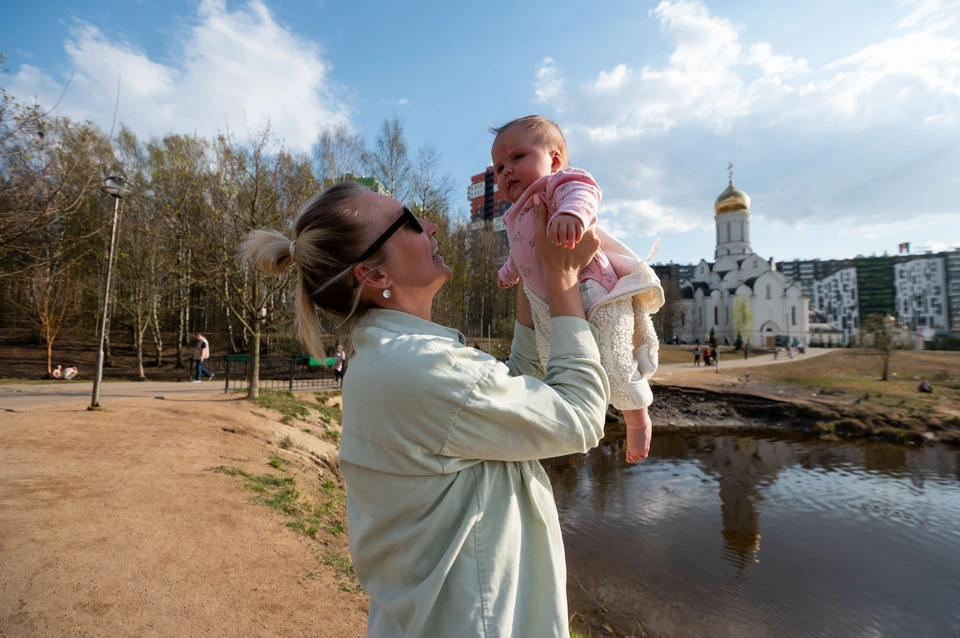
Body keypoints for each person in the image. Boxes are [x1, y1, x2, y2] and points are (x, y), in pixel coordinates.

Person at [241, 181, 609, 637]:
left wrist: (531, 275)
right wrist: (562, 280)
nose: (432, 226)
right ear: (373, 275)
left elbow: (515, 393)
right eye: (412, 222)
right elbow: (579, 415)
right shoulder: (422, 367)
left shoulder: (390, 357)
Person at [491, 115, 663, 464]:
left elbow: (585, 189)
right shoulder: (514, 216)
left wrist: (571, 213)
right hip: (548, 302)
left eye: (517, 157)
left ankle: (638, 420)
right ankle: (577, 411)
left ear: (553, 160)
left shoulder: (556, 185)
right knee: (551, 357)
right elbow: (521, 250)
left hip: (592, 288)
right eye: (498, 167)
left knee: (614, 360)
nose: (506, 171)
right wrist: (510, 271)